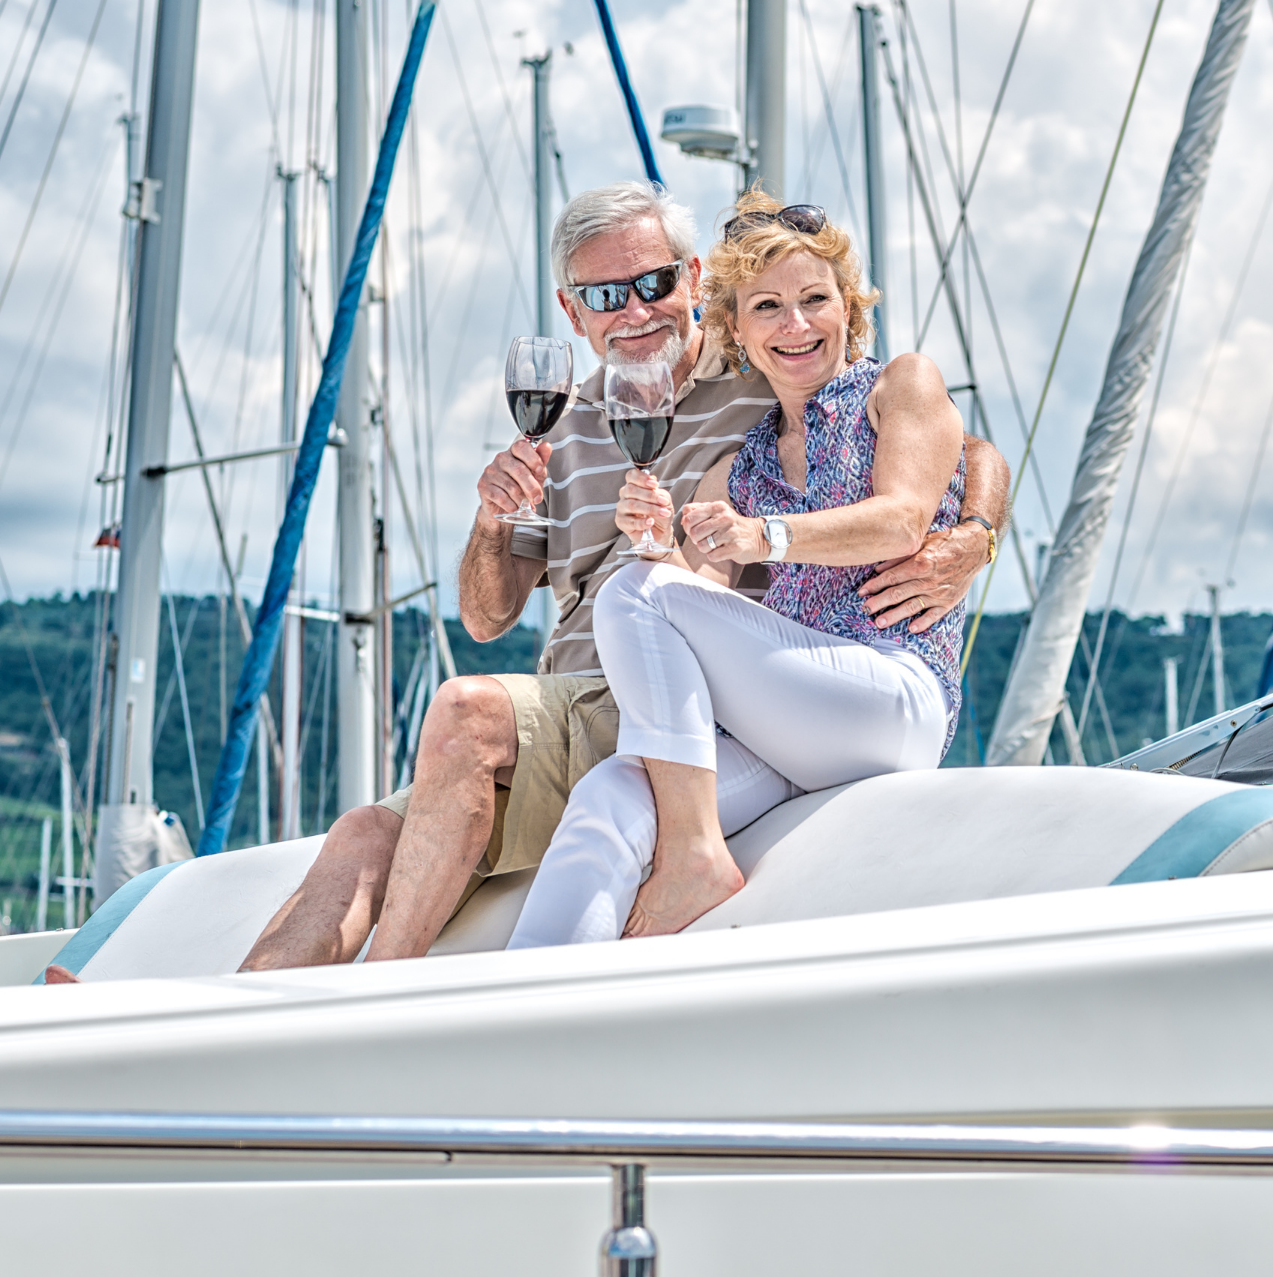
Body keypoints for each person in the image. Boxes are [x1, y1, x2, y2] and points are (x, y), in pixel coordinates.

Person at [236, 184, 1008, 970]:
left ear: (697, 285)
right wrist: (495, 518)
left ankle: (385, 999)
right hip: (570, 707)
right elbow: (485, 617)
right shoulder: (574, 422)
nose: (636, 310)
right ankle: (229, 1042)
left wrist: (975, 536)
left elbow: (961, 454)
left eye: (655, 283)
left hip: (687, 690)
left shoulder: (764, 376)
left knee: (472, 708)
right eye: (607, 295)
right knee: (364, 835)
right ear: (574, 314)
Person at [506, 203, 969, 945]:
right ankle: (520, 1022)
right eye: (768, 308)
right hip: (793, 726)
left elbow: (903, 519)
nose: (796, 325)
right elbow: (690, 586)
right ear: (736, 331)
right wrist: (654, 534)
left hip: (891, 699)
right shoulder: (745, 460)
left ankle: (694, 855)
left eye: (815, 299)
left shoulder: (898, 387)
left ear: (848, 306)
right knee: (611, 798)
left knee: (635, 592)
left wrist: (763, 536)